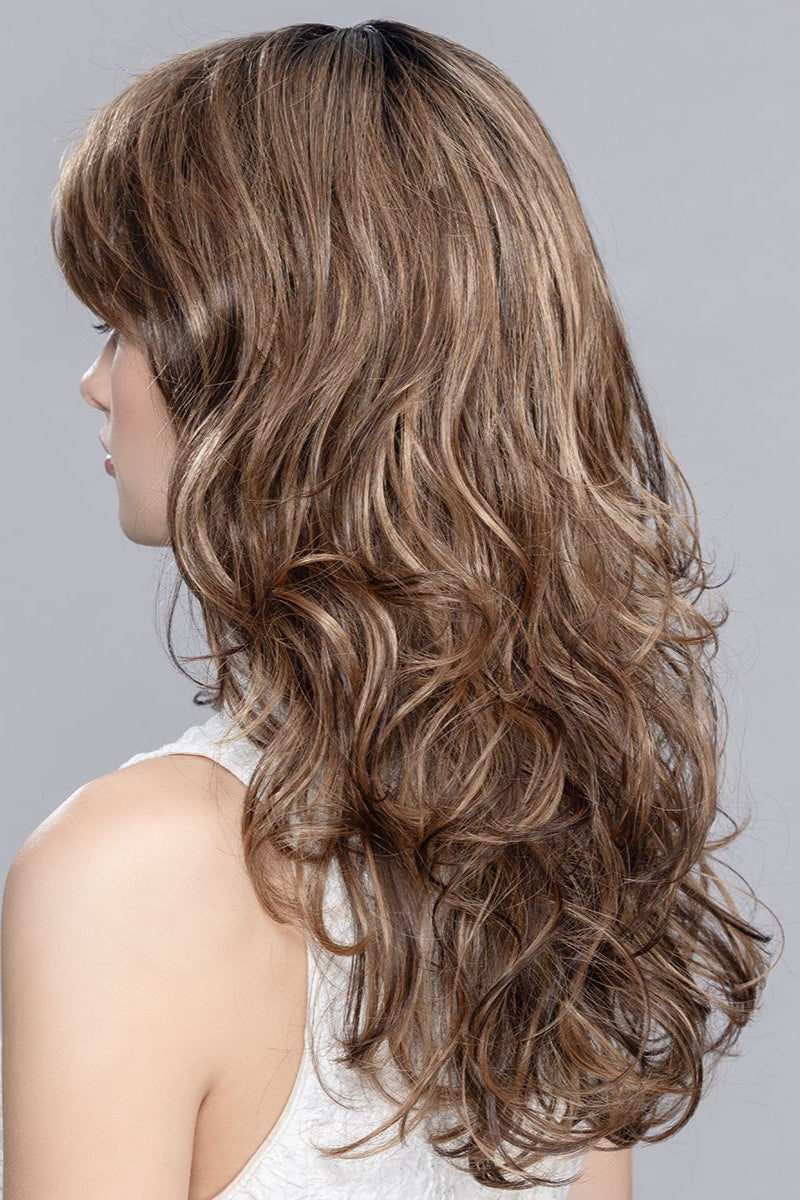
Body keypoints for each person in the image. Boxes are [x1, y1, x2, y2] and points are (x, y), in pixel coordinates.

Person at [0, 19, 778, 1200]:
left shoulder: (131, 872)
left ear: (280, 354)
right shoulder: (542, 851)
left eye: (126, 324)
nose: (95, 383)